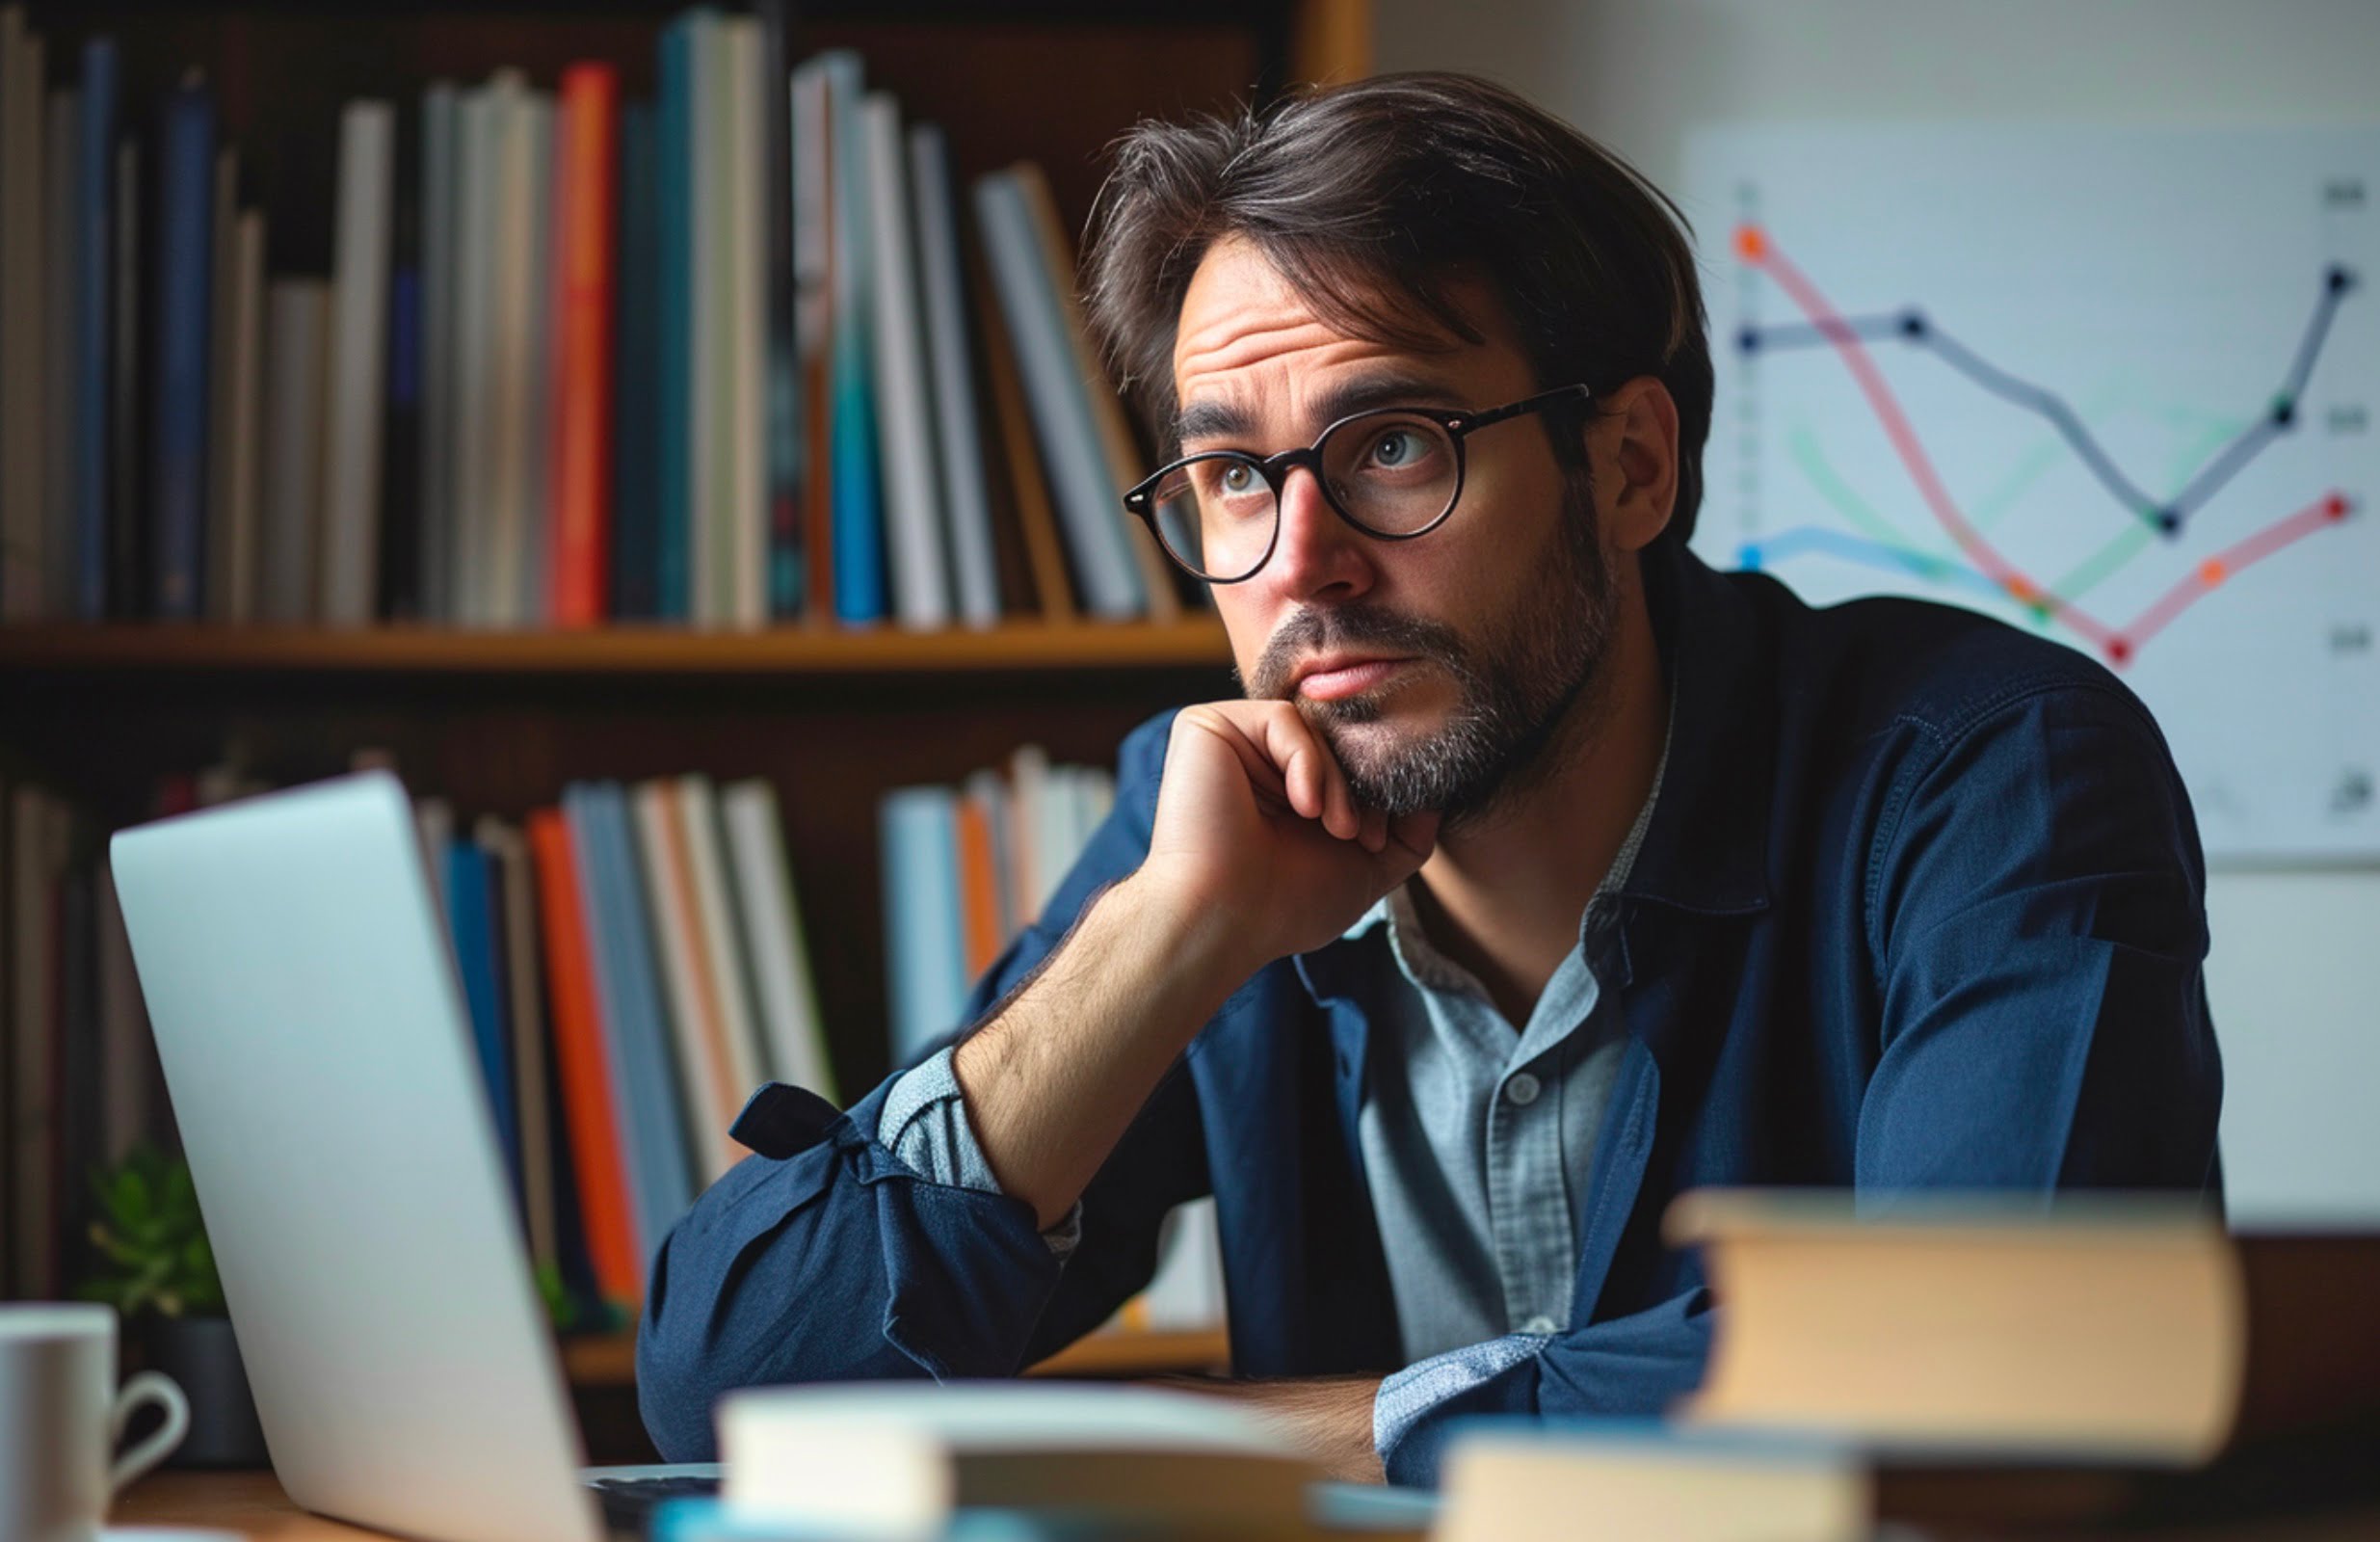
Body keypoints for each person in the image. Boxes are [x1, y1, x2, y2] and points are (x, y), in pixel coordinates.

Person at [635, 72, 2222, 1486]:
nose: (1299, 567)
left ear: (1629, 466)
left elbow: (2004, 1366)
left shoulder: (1984, 769)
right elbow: (734, 1396)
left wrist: (1264, 1432)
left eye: (1391, 442)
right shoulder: (1210, 828)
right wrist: (1164, 938)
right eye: (1232, 476)